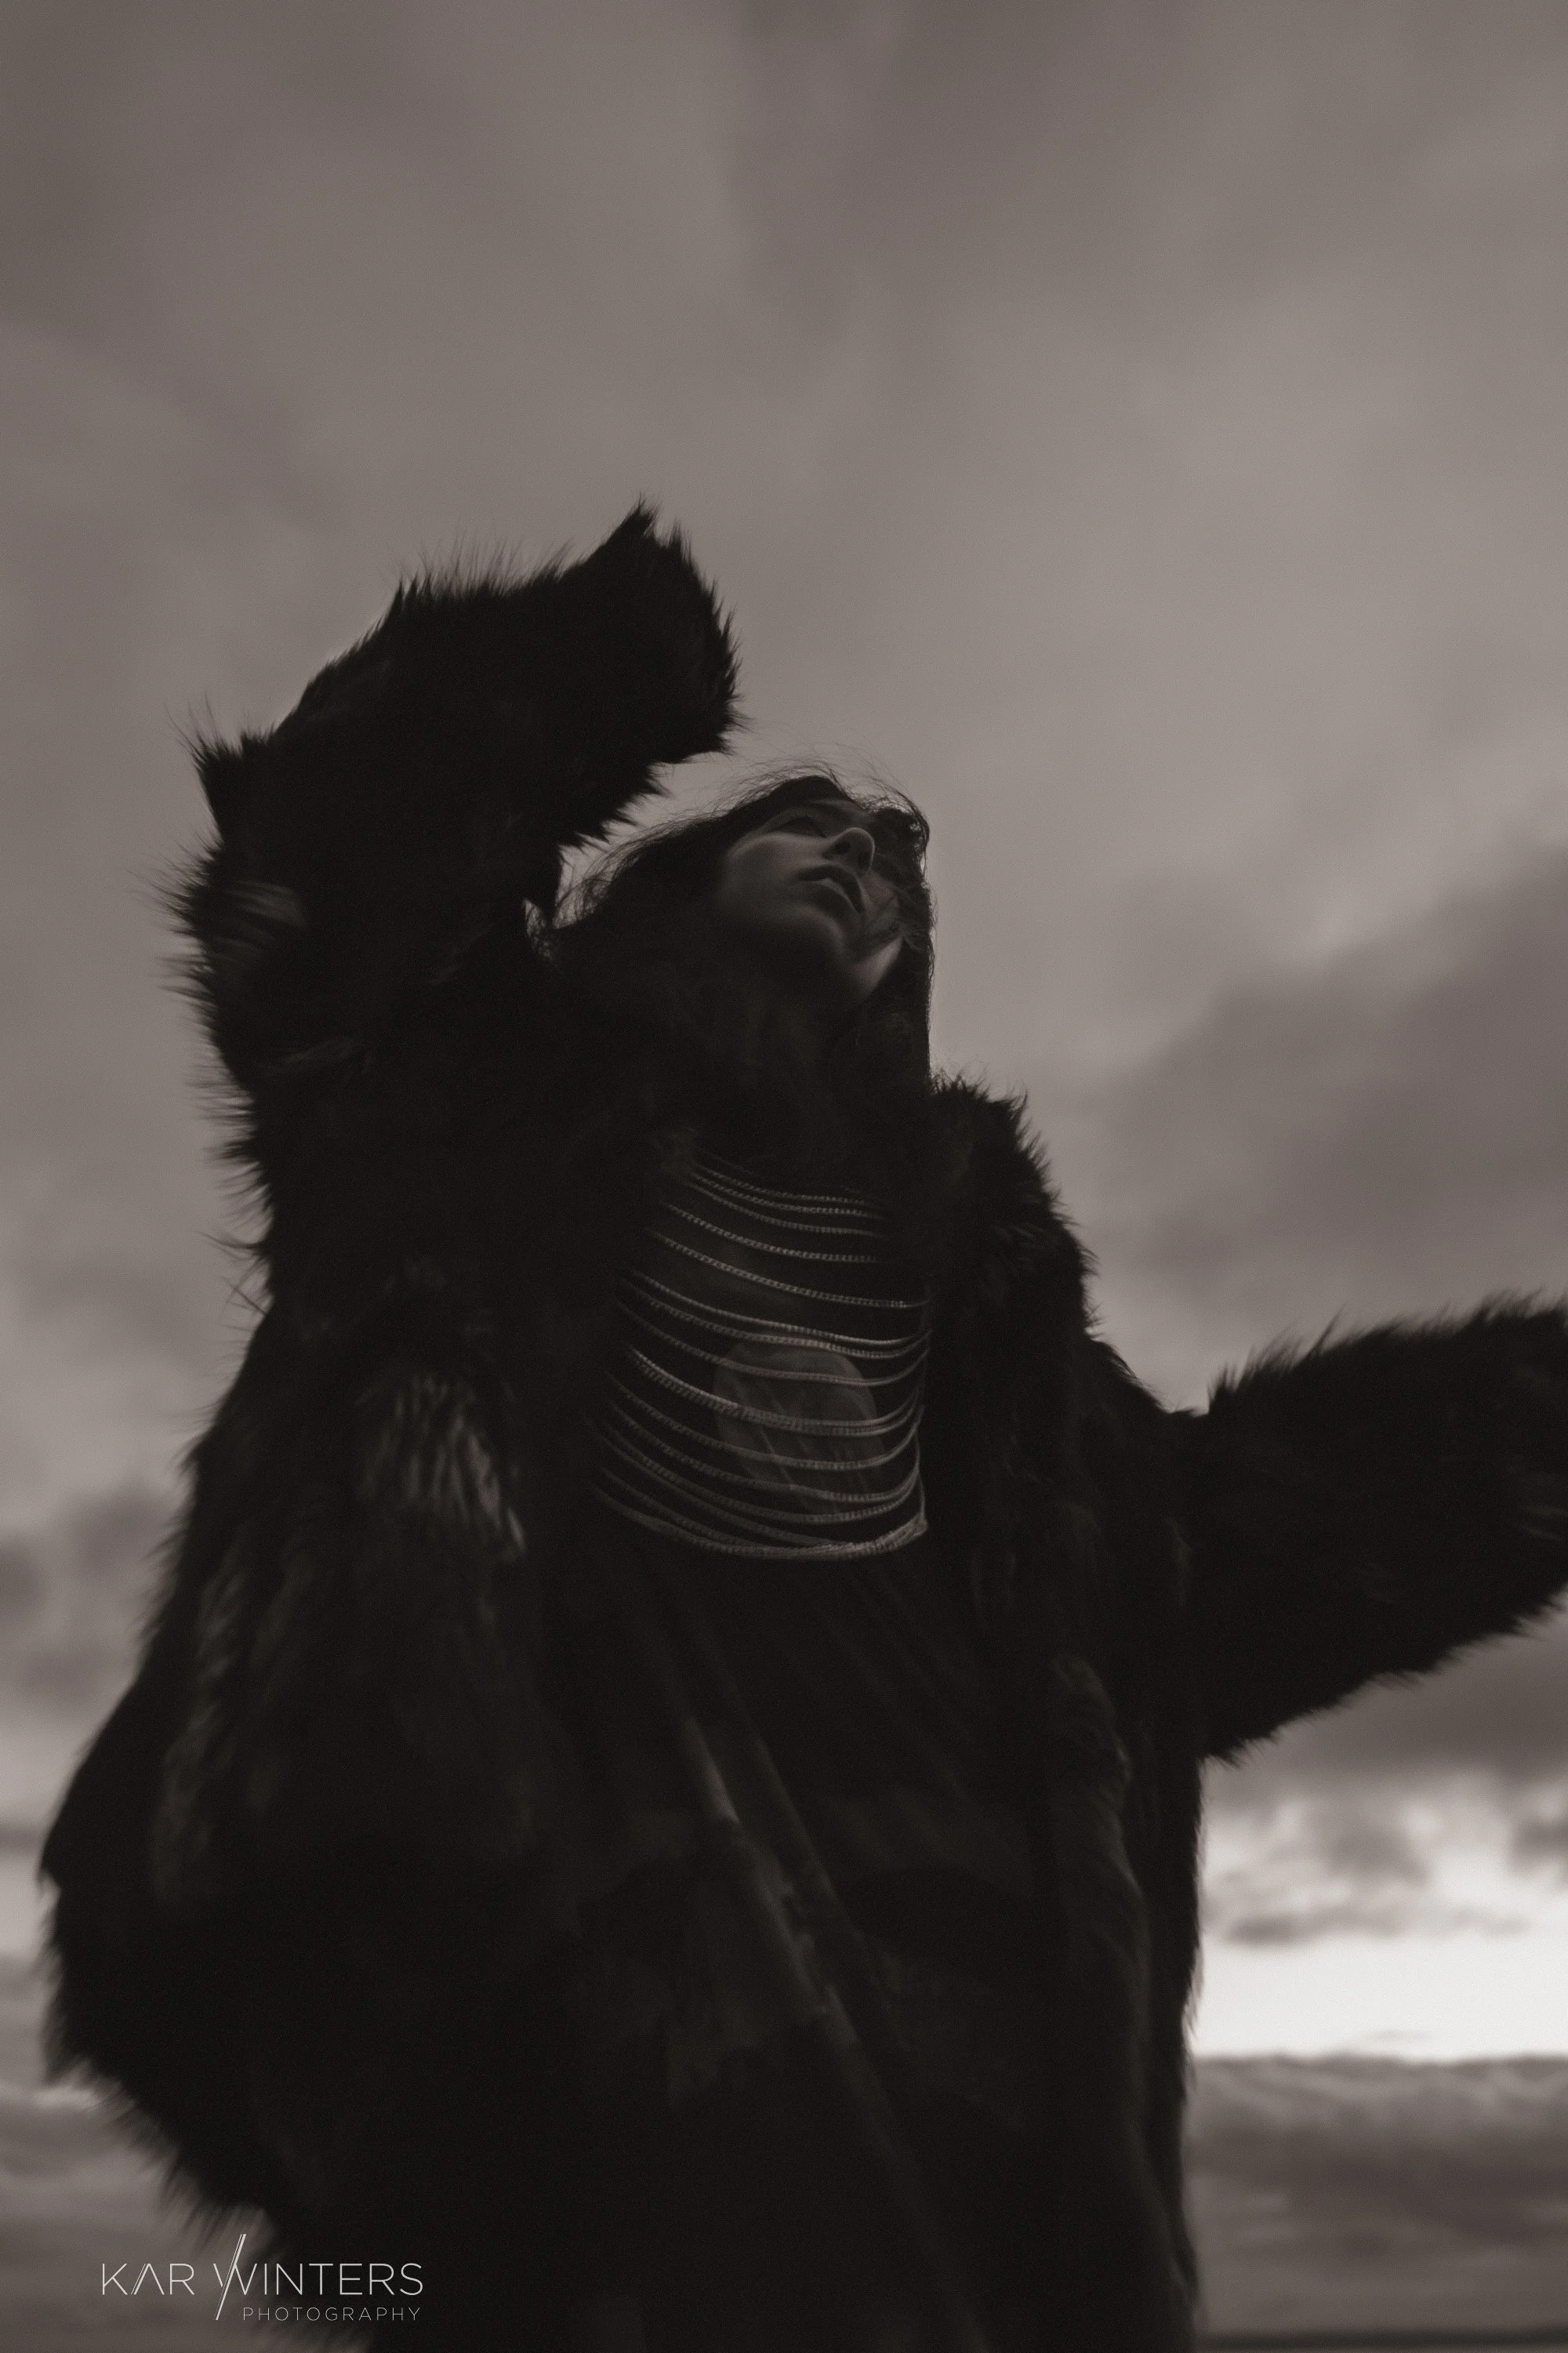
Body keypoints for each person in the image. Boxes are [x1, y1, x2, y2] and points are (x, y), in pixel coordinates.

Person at [41, 508, 1568, 2353]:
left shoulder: (992, 1347)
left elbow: (1215, 1553)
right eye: (815, 824)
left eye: (901, 878)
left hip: (985, 2212)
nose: (868, 859)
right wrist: (624, 660)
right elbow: (329, 855)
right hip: (563, 2145)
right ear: (672, 879)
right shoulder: (446, 1097)